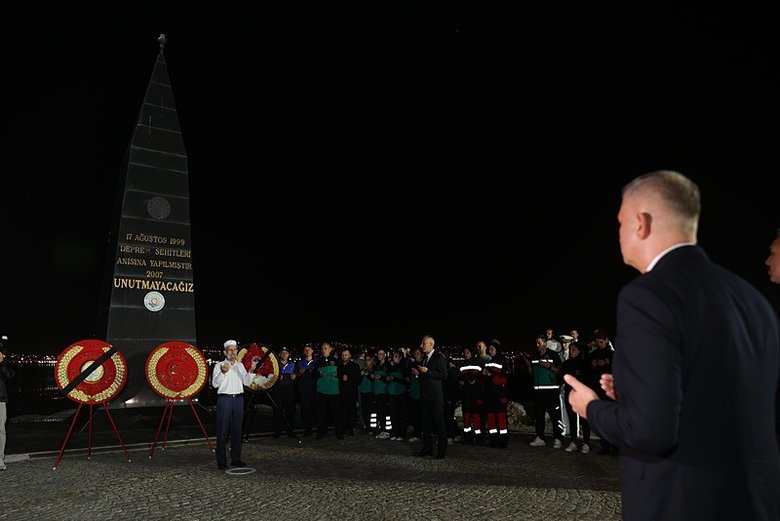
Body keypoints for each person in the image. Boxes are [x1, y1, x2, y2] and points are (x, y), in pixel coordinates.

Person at [565, 170, 780, 521]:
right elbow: (724, 398)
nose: (618, 233)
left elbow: (650, 433)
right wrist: (638, 392)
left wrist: (591, 408)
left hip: (683, 501)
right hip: (754, 501)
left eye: (620, 222)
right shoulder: (751, 299)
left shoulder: (648, 296)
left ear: (641, 223)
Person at [212, 339, 257, 470]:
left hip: (238, 399)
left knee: (237, 430)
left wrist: (251, 370)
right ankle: (221, 461)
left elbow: (247, 382)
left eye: (234, 349)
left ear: (237, 351)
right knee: (222, 431)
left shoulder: (240, 366)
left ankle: (235, 459)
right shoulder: (219, 365)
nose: (232, 352)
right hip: (224, 399)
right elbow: (214, 384)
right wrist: (223, 372)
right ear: (225, 352)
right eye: (230, 350)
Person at [411, 335, 448, 459]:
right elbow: (425, 377)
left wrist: (428, 371)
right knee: (425, 424)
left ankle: (442, 450)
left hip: (435, 397)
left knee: (439, 423)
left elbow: (444, 375)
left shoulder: (439, 357)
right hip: (425, 396)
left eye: (424, 343)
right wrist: (418, 374)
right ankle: (427, 448)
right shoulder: (425, 358)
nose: (421, 346)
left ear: (431, 344)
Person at [271, 347, 296, 438]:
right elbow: (270, 375)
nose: (284, 354)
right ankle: (277, 432)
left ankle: (290, 431)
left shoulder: (293, 364)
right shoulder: (276, 364)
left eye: (286, 353)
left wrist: (296, 375)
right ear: (279, 354)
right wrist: (277, 377)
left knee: (290, 411)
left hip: (289, 390)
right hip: (278, 391)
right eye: (282, 353)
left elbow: (297, 374)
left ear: (289, 354)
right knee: (277, 411)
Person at [0, 340, 16, 471]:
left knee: (0, 430)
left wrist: (1, 363)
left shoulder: (3, 365)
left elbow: (9, 375)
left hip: (0, 400)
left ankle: (0, 460)